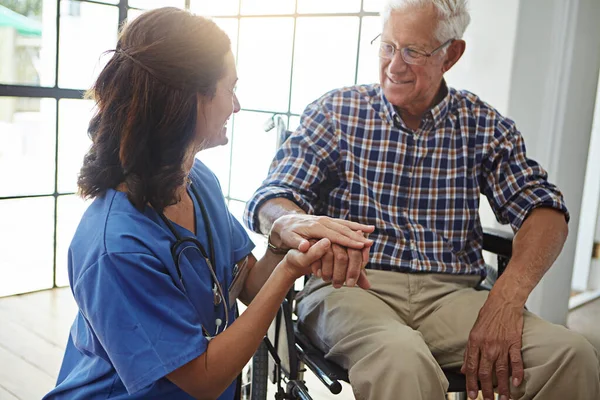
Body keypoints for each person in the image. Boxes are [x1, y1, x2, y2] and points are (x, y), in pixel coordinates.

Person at [244, 0, 600, 399]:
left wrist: (507, 296)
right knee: (402, 358)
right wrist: (295, 223)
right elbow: (272, 197)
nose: (394, 66)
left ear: (451, 54)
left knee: (574, 354)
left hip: (453, 296)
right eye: (388, 46)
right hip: (351, 288)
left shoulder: (482, 124)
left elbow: (545, 209)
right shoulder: (336, 112)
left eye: (413, 51)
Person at [43, 8, 375, 400]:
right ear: (190, 99)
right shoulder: (115, 246)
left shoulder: (196, 182)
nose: (236, 105)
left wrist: (284, 245)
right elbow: (204, 379)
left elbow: (248, 285)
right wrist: (287, 271)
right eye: (229, 88)